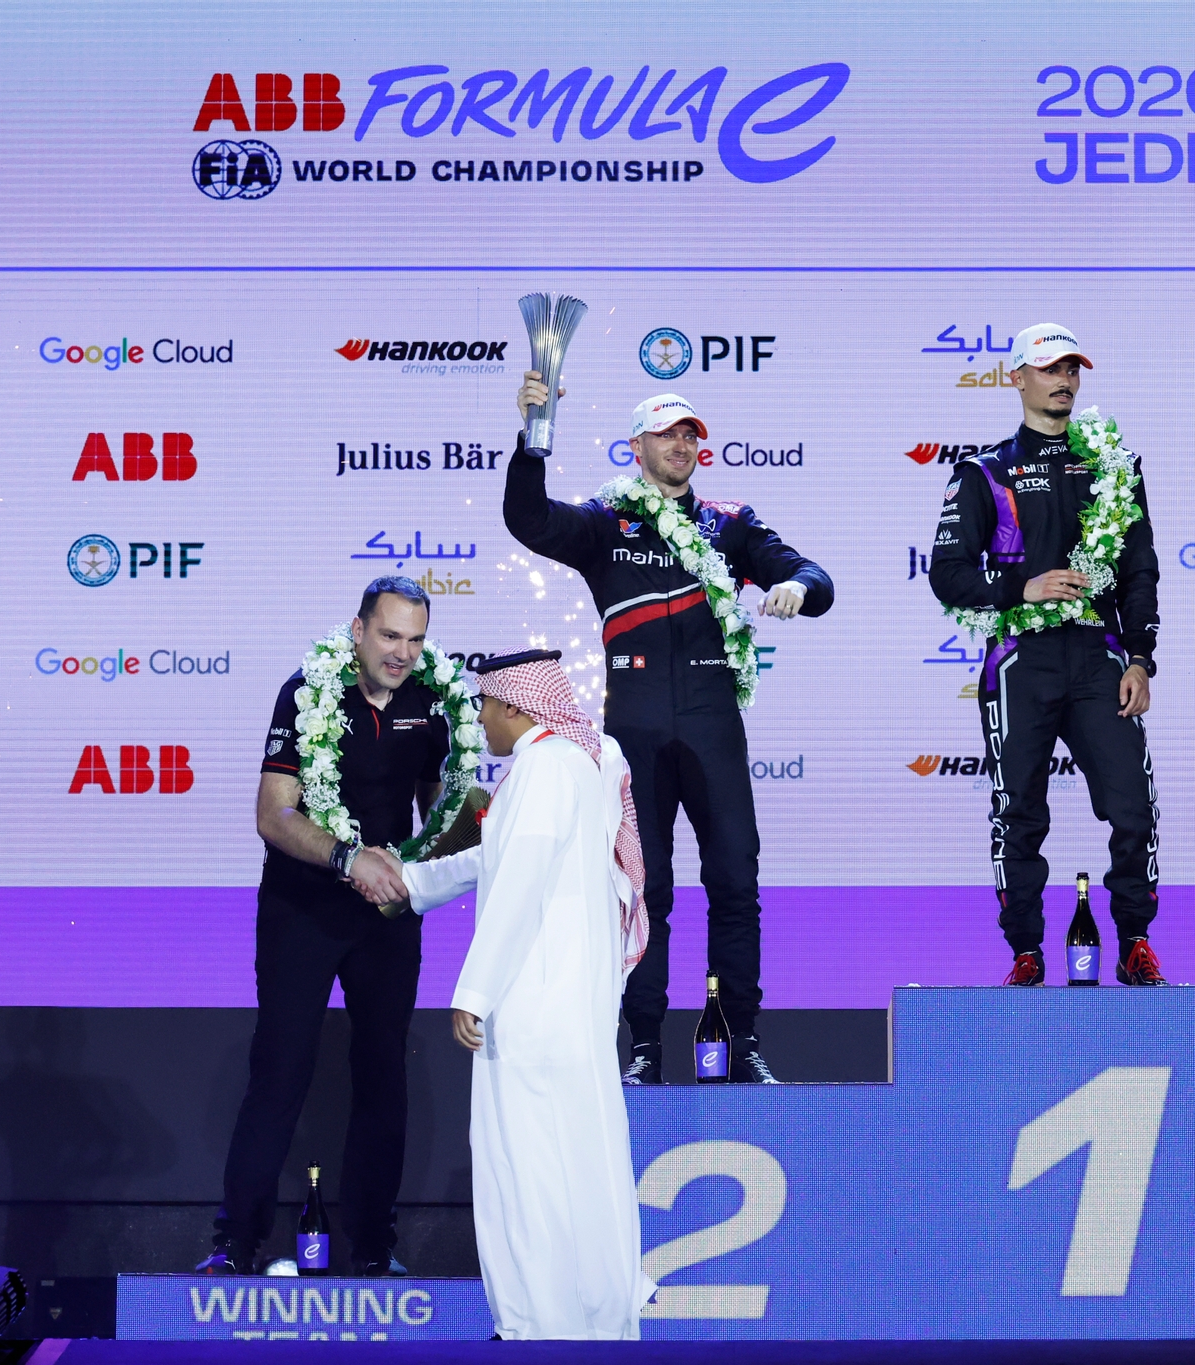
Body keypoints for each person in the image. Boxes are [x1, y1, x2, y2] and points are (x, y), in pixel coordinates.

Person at [504, 380, 833, 1083]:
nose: (682, 444)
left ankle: (738, 1042)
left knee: (736, 884)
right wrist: (534, 432)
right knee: (641, 891)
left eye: (690, 434)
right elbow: (528, 520)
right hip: (636, 732)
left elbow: (815, 576)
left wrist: (798, 589)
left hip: (714, 729)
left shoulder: (729, 523)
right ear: (637, 447)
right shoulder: (605, 521)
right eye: (667, 434)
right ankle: (646, 1046)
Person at [400, 648, 657, 1340]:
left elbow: (517, 884)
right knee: (580, 1163)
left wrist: (474, 989)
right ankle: (595, 1321)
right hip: (570, 1009)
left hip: (534, 1006)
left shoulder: (544, 767)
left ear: (516, 705)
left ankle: (535, 1326)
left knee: (527, 1168)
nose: (479, 721)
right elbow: (498, 859)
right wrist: (410, 882)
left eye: (485, 705)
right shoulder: (576, 763)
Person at [199, 577, 448, 1275]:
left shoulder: (431, 701)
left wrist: (444, 860)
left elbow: (437, 801)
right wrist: (348, 858)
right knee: (279, 1070)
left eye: (415, 639)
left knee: (383, 1075)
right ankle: (237, 1245)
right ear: (359, 629)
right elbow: (273, 813)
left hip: (386, 919)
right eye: (390, 635)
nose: (402, 653)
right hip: (302, 908)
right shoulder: (305, 690)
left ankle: (374, 1248)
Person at [927, 324, 1167, 987]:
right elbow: (947, 573)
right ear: (1018, 378)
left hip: (1099, 656)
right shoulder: (983, 472)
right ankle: (1026, 951)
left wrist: (1142, 657)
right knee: (1018, 808)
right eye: (1049, 369)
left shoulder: (1115, 467)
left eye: (1072, 369)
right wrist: (1019, 586)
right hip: (1019, 661)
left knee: (1133, 804)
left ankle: (1135, 943)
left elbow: (1139, 568)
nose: (1063, 380)